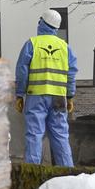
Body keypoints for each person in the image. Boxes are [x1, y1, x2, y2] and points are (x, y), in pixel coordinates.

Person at [14, 9, 78, 167]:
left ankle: (33, 174)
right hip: (58, 98)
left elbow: (22, 71)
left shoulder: (32, 44)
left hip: (36, 96)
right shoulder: (65, 47)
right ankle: (68, 175)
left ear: (41, 23)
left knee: (34, 135)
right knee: (60, 135)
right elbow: (71, 74)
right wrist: (69, 96)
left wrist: (19, 95)